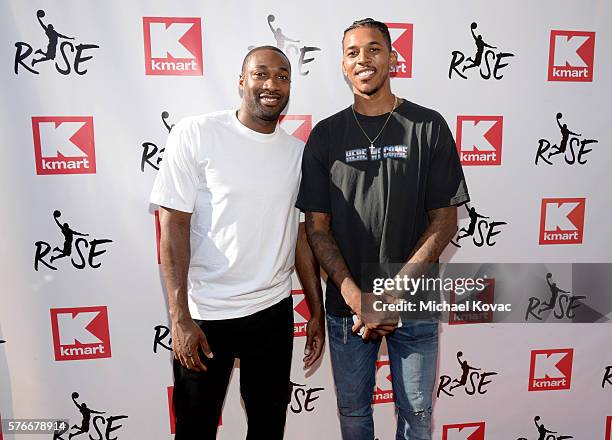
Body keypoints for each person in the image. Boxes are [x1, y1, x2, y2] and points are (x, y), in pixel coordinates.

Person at [296, 19, 470, 439]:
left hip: (413, 301)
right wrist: (359, 299)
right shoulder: (325, 135)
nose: (363, 59)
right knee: (354, 417)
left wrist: (392, 295)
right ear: (342, 64)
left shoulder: (428, 126)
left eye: (374, 49)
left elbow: (445, 220)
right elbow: (316, 229)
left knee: (417, 417)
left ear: (393, 58)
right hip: (347, 306)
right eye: (353, 52)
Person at [150, 45, 324, 440]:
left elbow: (298, 234)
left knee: (268, 427)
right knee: (195, 429)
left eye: (282, 76)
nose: (271, 84)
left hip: (273, 312)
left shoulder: (298, 154)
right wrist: (179, 317)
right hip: (207, 313)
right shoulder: (196, 133)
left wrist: (315, 309)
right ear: (241, 81)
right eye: (261, 74)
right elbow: (172, 226)